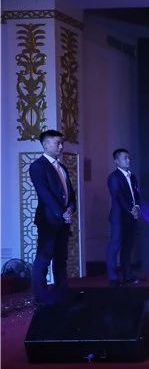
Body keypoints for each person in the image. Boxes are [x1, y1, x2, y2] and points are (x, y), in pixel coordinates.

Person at [29, 129, 75, 304]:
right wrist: (61, 213)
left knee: (61, 258)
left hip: (63, 220)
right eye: (57, 143)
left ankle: (62, 292)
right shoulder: (37, 166)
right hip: (48, 221)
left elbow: (70, 194)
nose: (61, 147)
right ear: (45, 144)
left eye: (62, 143)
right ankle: (41, 297)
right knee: (44, 258)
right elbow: (44, 193)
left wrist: (70, 209)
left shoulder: (62, 167)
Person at [106, 148, 142, 286]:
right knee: (115, 246)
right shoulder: (113, 177)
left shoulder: (132, 177)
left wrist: (137, 207)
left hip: (131, 216)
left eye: (129, 157)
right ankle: (113, 277)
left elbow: (136, 194)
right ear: (116, 161)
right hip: (119, 217)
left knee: (128, 247)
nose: (128, 160)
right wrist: (130, 209)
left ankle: (128, 275)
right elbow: (117, 195)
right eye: (125, 158)